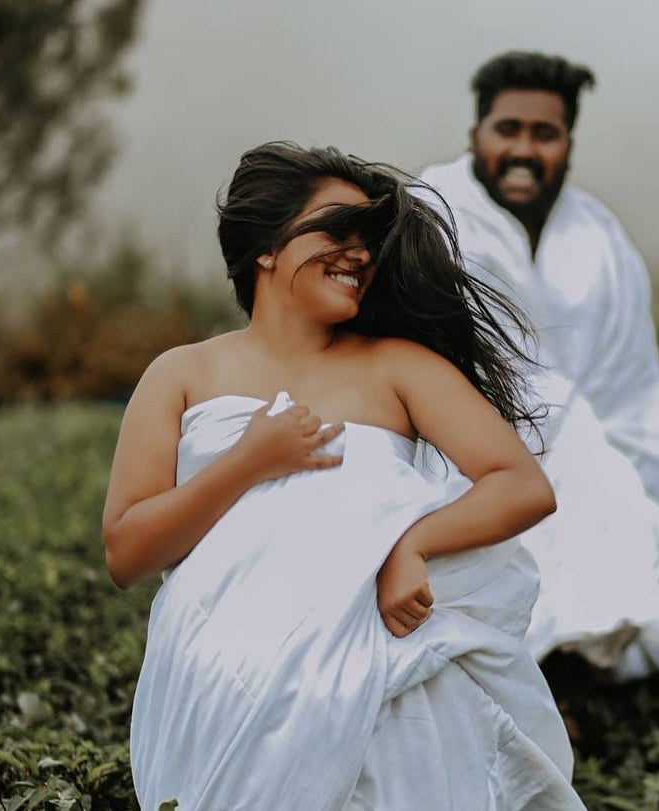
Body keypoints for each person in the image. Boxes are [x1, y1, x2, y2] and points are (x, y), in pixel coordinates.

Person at [102, 142, 586, 810]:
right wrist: (250, 460)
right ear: (267, 246)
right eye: (338, 229)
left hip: (382, 653)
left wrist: (409, 544)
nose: (359, 252)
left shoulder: (401, 366)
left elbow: (519, 482)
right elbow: (128, 551)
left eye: (369, 240)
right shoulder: (182, 373)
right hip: (223, 665)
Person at [420, 52, 659, 681]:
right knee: (558, 463)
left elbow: (632, 377)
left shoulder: (598, 234)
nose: (525, 149)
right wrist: (551, 433)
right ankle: (540, 662)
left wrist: (592, 451)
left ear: (568, 143)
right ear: (476, 135)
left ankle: (577, 652)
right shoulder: (430, 213)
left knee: (590, 459)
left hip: (592, 449)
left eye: (545, 133)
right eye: (508, 130)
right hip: (462, 447)